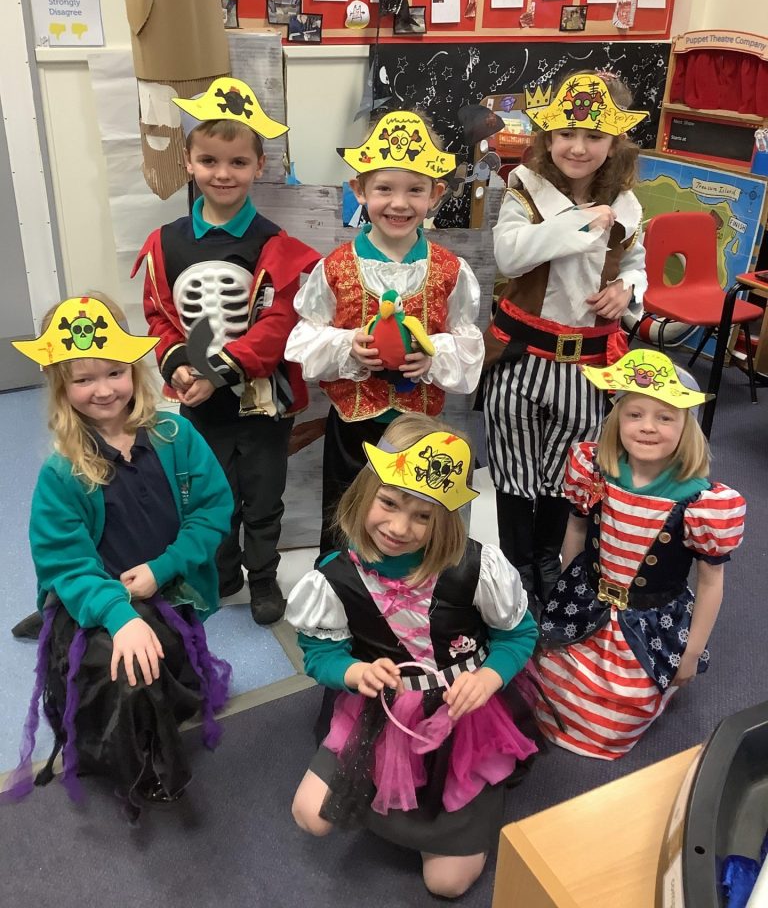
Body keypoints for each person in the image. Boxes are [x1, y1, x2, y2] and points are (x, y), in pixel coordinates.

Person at [286, 414, 538, 898]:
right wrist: (352, 671)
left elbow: (518, 634)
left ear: (446, 518)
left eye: (423, 516)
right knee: (310, 815)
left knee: (446, 884)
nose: (399, 527)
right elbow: (319, 654)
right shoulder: (334, 578)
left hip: (464, 717)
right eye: (388, 503)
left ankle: (475, 802)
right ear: (366, 492)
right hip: (382, 713)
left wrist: (490, 676)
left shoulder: (476, 567)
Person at [3, 295, 233, 817]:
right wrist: (118, 615)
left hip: (166, 583)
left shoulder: (177, 436)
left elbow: (212, 510)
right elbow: (66, 561)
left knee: (168, 666)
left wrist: (162, 568)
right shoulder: (62, 472)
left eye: (114, 373)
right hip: (104, 592)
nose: (104, 390)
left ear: (134, 369)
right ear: (61, 387)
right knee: (127, 670)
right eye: (84, 380)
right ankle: (138, 763)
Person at [132, 77, 319, 625]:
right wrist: (179, 366)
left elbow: (279, 323)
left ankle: (262, 578)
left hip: (263, 399)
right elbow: (159, 314)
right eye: (209, 160)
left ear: (259, 166)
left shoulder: (275, 244)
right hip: (199, 395)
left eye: (238, 162)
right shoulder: (166, 242)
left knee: (263, 495)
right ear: (188, 162)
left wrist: (219, 370)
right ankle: (221, 571)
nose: (223, 173)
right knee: (209, 493)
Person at [483, 70, 649, 608]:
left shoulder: (627, 204)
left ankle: (546, 561)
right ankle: (515, 566)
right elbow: (510, 256)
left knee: (565, 469)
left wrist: (628, 288)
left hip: (588, 363)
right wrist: (581, 221)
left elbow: (637, 262)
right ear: (548, 136)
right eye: (566, 134)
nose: (578, 147)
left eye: (594, 136)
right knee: (515, 466)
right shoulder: (524, 189)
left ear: (613, 143)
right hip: (522, 356)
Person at [284, 109, 484, 555]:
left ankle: (407, 586)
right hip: (353, 429)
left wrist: (433, 356)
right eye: (384, 189)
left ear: (435, 194)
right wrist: (348, 346)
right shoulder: (334, 268)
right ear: (359, 190)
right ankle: (339, 584)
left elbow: (468, 342)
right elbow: (303, 338)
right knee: (345, 514)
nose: (399, 203)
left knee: (412, 521)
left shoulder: (451, 270)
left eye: (415, 190)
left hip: (420, 432)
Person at [533, 351, 746, 759]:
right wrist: (566, 594)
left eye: (665, 417)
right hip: (588, 601)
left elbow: (710, 583)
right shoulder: (594, 471)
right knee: (552, 685)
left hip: (650, 619)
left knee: (617, 716)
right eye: (635, 414)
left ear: (687, 428)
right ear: (617, 420)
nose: (648, 426)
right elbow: (576, 529)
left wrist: (692, 653)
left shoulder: (701, 504)